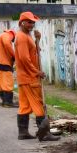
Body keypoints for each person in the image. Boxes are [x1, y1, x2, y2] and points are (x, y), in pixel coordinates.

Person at [14, 11, 58, 142]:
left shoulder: (26, 36)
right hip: (29, 78)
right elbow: (24, 59)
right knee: (38, 104)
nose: (31, 24)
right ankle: (44, 133)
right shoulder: (22, 37)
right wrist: (36, 72)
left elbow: (33, 53)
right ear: (22, 22)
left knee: (25, 106)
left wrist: (37, 40)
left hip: (24, 77)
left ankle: (23, 132)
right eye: (29, 22)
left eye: (33, 22)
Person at [0, 29, 16, 107]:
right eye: (13, 39)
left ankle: (4, 101)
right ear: (13, 34)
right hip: (3, 63)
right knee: (8, 83)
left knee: (1, 84)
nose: (12, 41)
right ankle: (8, 102)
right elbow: (7, 44)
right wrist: (15, 56)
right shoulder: (6, 35)